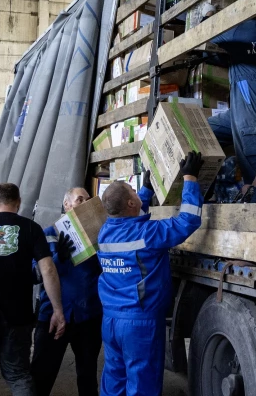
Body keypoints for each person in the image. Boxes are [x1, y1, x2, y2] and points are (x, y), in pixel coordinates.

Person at [97, 154, 204, 396]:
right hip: (139, 324)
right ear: (130, 203)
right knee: (142, 385)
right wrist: (190, 178)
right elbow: (188, 220)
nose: (137, 194)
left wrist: (145, 190)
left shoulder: (104, 233)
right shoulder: (148, 234)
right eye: (133, 192)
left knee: (114, 379)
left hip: (111, 320)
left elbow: (129, 214)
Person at [0, 182, 66, 396]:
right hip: (19, 317)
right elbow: (48, 270)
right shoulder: (31, 228)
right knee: (18, 374)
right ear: (18, 203)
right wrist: (58, 310)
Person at [202, 2, 256, 203]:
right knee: (205, 131)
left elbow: (207, 32)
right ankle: (206, 190)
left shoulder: (242, 30)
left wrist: (209, 13)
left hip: (253, 110)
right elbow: (245, 57)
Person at [32, 187, 103, 396]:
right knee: (41, 376)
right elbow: (35, 274)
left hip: (88, 316)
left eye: (88, 200)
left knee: (88, 376)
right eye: (80, 199)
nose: (85, 203)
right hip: (53, 316)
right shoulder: (48, 234)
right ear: (67, 204)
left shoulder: (98, 235)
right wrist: (57, 259)